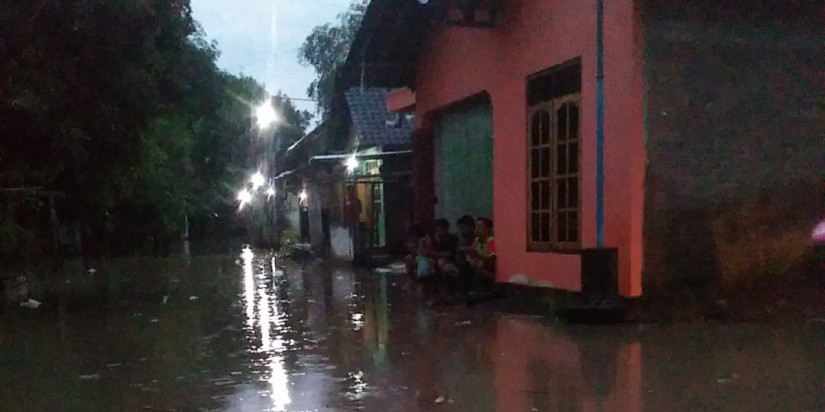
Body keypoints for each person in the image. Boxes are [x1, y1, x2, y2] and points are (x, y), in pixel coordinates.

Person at [344, 185, 362, 258]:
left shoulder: (357, 200)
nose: (349, 193)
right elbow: (344, 211)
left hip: (355, 221)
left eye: (351, 191)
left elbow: (360, 210)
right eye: (348, 191)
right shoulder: (346, 201)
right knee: (349, 238)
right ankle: (351, 253)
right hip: (348, 222)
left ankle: (357, 253)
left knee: (356, 237)